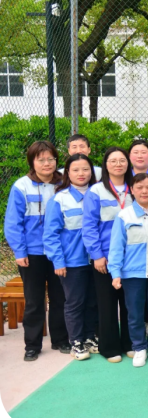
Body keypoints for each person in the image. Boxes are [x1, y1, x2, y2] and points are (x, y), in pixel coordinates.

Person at [5, 141, 68, 361]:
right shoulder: (21, 186)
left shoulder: (64, 182)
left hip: (59, 252)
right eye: (41, 160)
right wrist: (19, 251)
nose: (47, 163)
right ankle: (32, 345)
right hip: (32, 253)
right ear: (32, 162)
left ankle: (61, 339)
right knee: (34, 300)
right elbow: (13, 222)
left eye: (51, 159)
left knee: (61, 298)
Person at [108, 173, 148, 367]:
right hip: (133, 273)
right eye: (139, 187)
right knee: (134, 313)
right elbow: (116, 247)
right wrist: (115, 273)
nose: (144, 191)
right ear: (132, 190)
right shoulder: (124, 215)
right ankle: (139, 348)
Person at [43, 153, 98, 361]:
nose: (81, 173)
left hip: (97, 259)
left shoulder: (98, 193)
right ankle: (76, 341)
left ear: (92, 171)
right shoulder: (60, 199)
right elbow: (50, 234)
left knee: (93, 301)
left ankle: (90, 337)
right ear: (67, 172)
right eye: (75, 170)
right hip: (72, 262)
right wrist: (58, 261)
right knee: (75, 302)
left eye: (85, 169)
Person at [83, 147, 134, 363]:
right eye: (113, 161)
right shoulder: (96, 191)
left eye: (122, 160)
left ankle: (130, 343)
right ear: (105, 165)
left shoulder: (135, 187)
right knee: (107, 303)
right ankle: (109, 347)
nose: (118, 164)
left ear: (128, 163)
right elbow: (89, 226)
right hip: (105, 257)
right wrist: (97, 255)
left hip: (131, 256)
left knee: (130, 303)